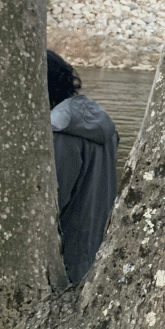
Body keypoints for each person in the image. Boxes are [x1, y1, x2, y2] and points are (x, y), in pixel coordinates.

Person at [47, 50, 119, 284]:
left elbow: (52, 200)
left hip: (69, 257)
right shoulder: (103, 124)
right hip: (100, 246)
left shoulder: (59, 132)